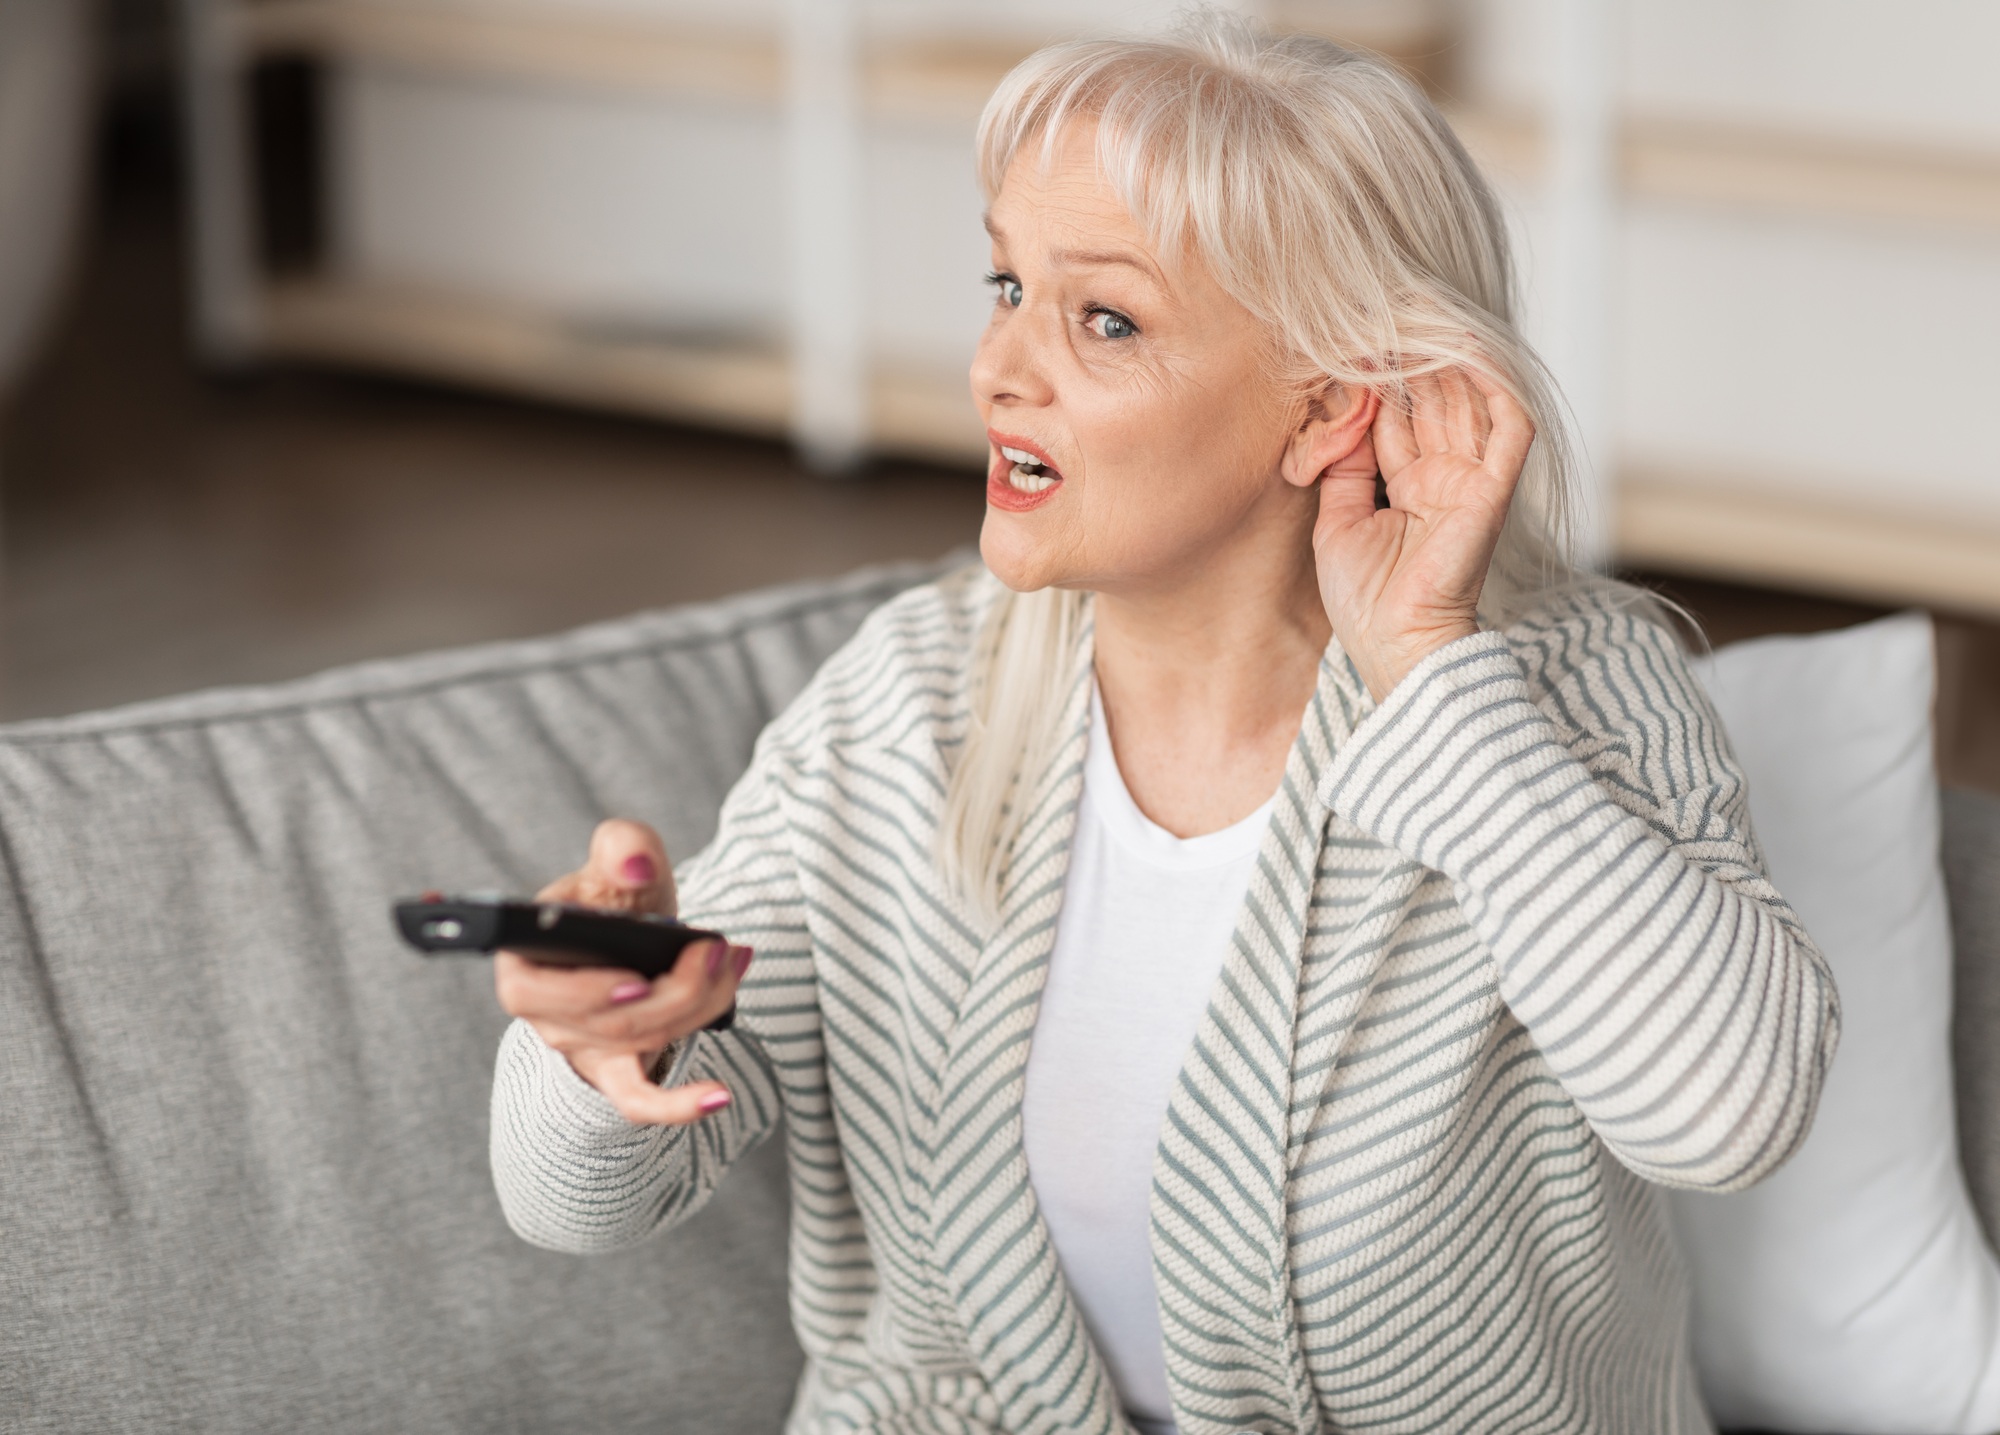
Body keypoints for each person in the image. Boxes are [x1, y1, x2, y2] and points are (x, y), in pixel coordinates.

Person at [488, 15, 1839, 1434]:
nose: (1001, 368)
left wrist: (1432, 668)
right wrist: (601, 1042)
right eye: (1006, 282)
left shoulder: (1565, 696)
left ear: (1326, 411)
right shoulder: (914, 699)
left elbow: (1727, 1115)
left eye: (1105, 320)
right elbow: (577, 1203)